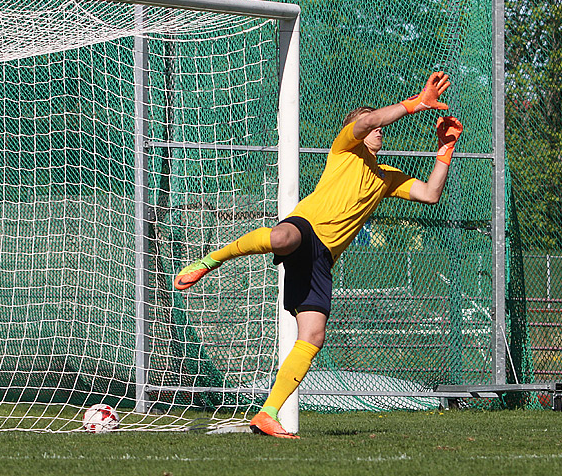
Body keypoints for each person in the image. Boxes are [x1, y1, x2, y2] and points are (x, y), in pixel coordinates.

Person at [173, 71, 463, 438]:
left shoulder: (387, 176)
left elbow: (430, 194)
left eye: (377, 126)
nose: (377, 129)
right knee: (282, 238)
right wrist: (415, 104)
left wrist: (445, 149)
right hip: (306, 229)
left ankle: (267, 413)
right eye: (368, 124)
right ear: (354, 129)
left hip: (323, 260)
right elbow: (370, 119)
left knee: (312, 336)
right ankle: (210, 261)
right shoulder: (344, 149)